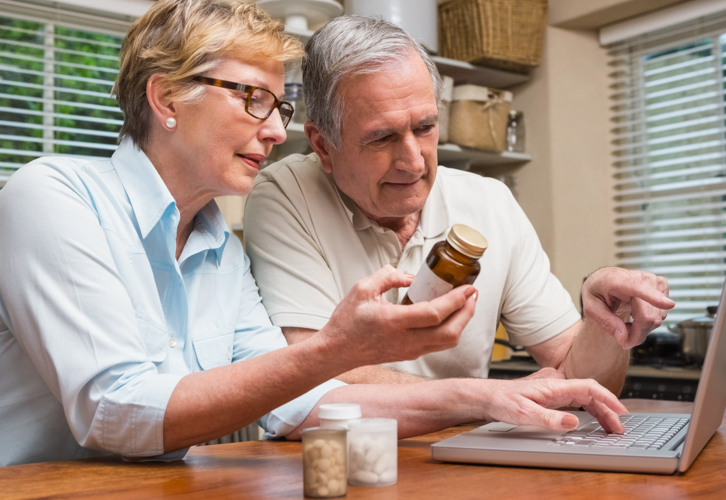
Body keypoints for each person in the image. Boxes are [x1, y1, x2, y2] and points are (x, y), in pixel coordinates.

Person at [0, 0, 629, 468]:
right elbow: (115, 411)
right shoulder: (52, 196)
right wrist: (335, 350)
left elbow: (298, 404)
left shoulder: (219, 246)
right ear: (166, 98)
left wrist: (497, 402)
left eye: (279, 107)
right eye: (252, 99)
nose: (276, 131)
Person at [243, 16, 674, 393]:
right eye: (382, 137)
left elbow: (584, 381)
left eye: (426, 127)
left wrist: (604, 321)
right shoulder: (286, 193)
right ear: (323, 144)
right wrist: (482, 399)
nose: (414, 161)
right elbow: (310, 379)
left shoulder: (490, 202)